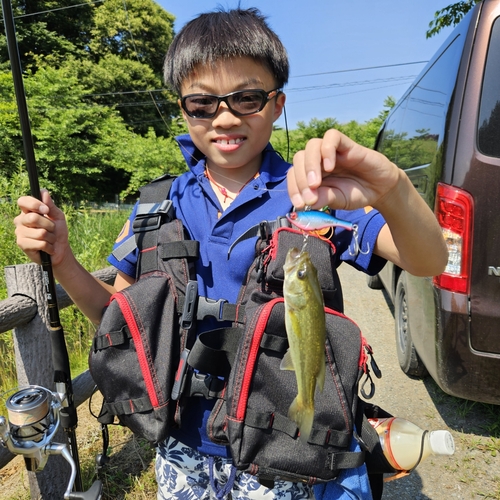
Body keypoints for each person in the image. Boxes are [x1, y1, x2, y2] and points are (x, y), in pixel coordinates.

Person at [14, 7, 448, 500]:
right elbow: (118, 320)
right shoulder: (158, 202)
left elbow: (429, 260)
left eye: (247, 98)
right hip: (180, 447)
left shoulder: (313, 197)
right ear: (183, 108)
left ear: (277, 103)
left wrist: (390, 188)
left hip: (282, 447)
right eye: (203, 103)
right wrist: (64, 259)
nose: (225, 116)